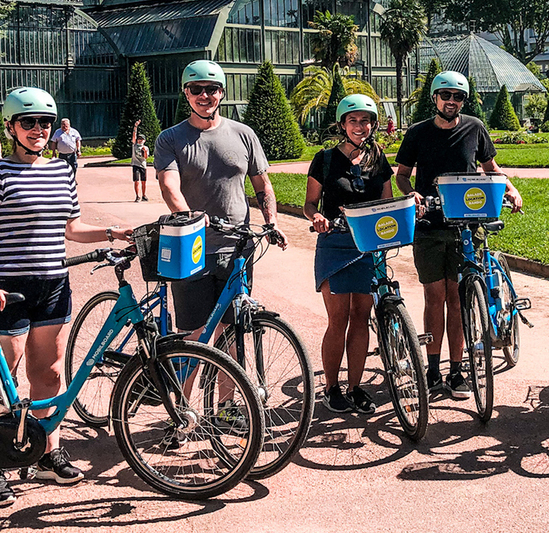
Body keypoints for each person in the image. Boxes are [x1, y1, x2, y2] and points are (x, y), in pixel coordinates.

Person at [0, 86, 132, 508]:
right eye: (28, 122)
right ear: (11, 127)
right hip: (7, 289)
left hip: (53, 286)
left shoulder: (62, 172)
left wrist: (114, 232)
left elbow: (72, 230)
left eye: (44, 122)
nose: (38, 130)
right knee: (0, 380)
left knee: (50, 374)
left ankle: (46, 452)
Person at [394, 70, 522, 398]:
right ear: (435, 98)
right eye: (446, 96)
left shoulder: (474, 128)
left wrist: (510, 188)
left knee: (458, 298)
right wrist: (412, 194)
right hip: (430, 226)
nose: (452, 102)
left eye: (458, 97)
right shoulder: (418, 133)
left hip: (467, 226)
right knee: (434, 298)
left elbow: (491, 169)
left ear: (464, 101)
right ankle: (433, 369)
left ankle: (456, 371)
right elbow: (403, 176)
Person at [155, 60, 286, 342]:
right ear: (186, 93)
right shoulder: (171, 139)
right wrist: (190, 217)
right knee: (193, 336)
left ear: (222, 92)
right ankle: (179, 389)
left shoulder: (244, 134)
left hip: (238, 248)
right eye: (196, 89)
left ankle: (232, 388)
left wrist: (271, 221)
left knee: (232, 334)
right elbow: (169, 186)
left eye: (212, 89)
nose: (205, 95)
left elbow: (262, 185)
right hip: (192, 247)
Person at [304, 95, 394, 415]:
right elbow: (310, 203)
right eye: (354, 121)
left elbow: (388, 203)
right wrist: (315, 217)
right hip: (334, 244)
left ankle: (356, 387)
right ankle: (331, 387)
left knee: (360, 317)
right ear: (343, 124)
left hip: (369, 246)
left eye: (366, 121)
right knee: (338, 319)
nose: (361, 126)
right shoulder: (325, 159)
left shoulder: (378, 158)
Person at [131, 119, 151, 202]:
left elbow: (145, 158)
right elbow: (134, 136)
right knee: (136, 181)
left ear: (144, 140)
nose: (140, 140)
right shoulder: (134, 145)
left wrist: (145, 152)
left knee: (143, 181)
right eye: (139, 139)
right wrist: (135, 126)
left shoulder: (145, 147)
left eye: (142, 139)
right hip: (135, 165)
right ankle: (137, 196)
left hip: (143, 165)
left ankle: (144, 195)